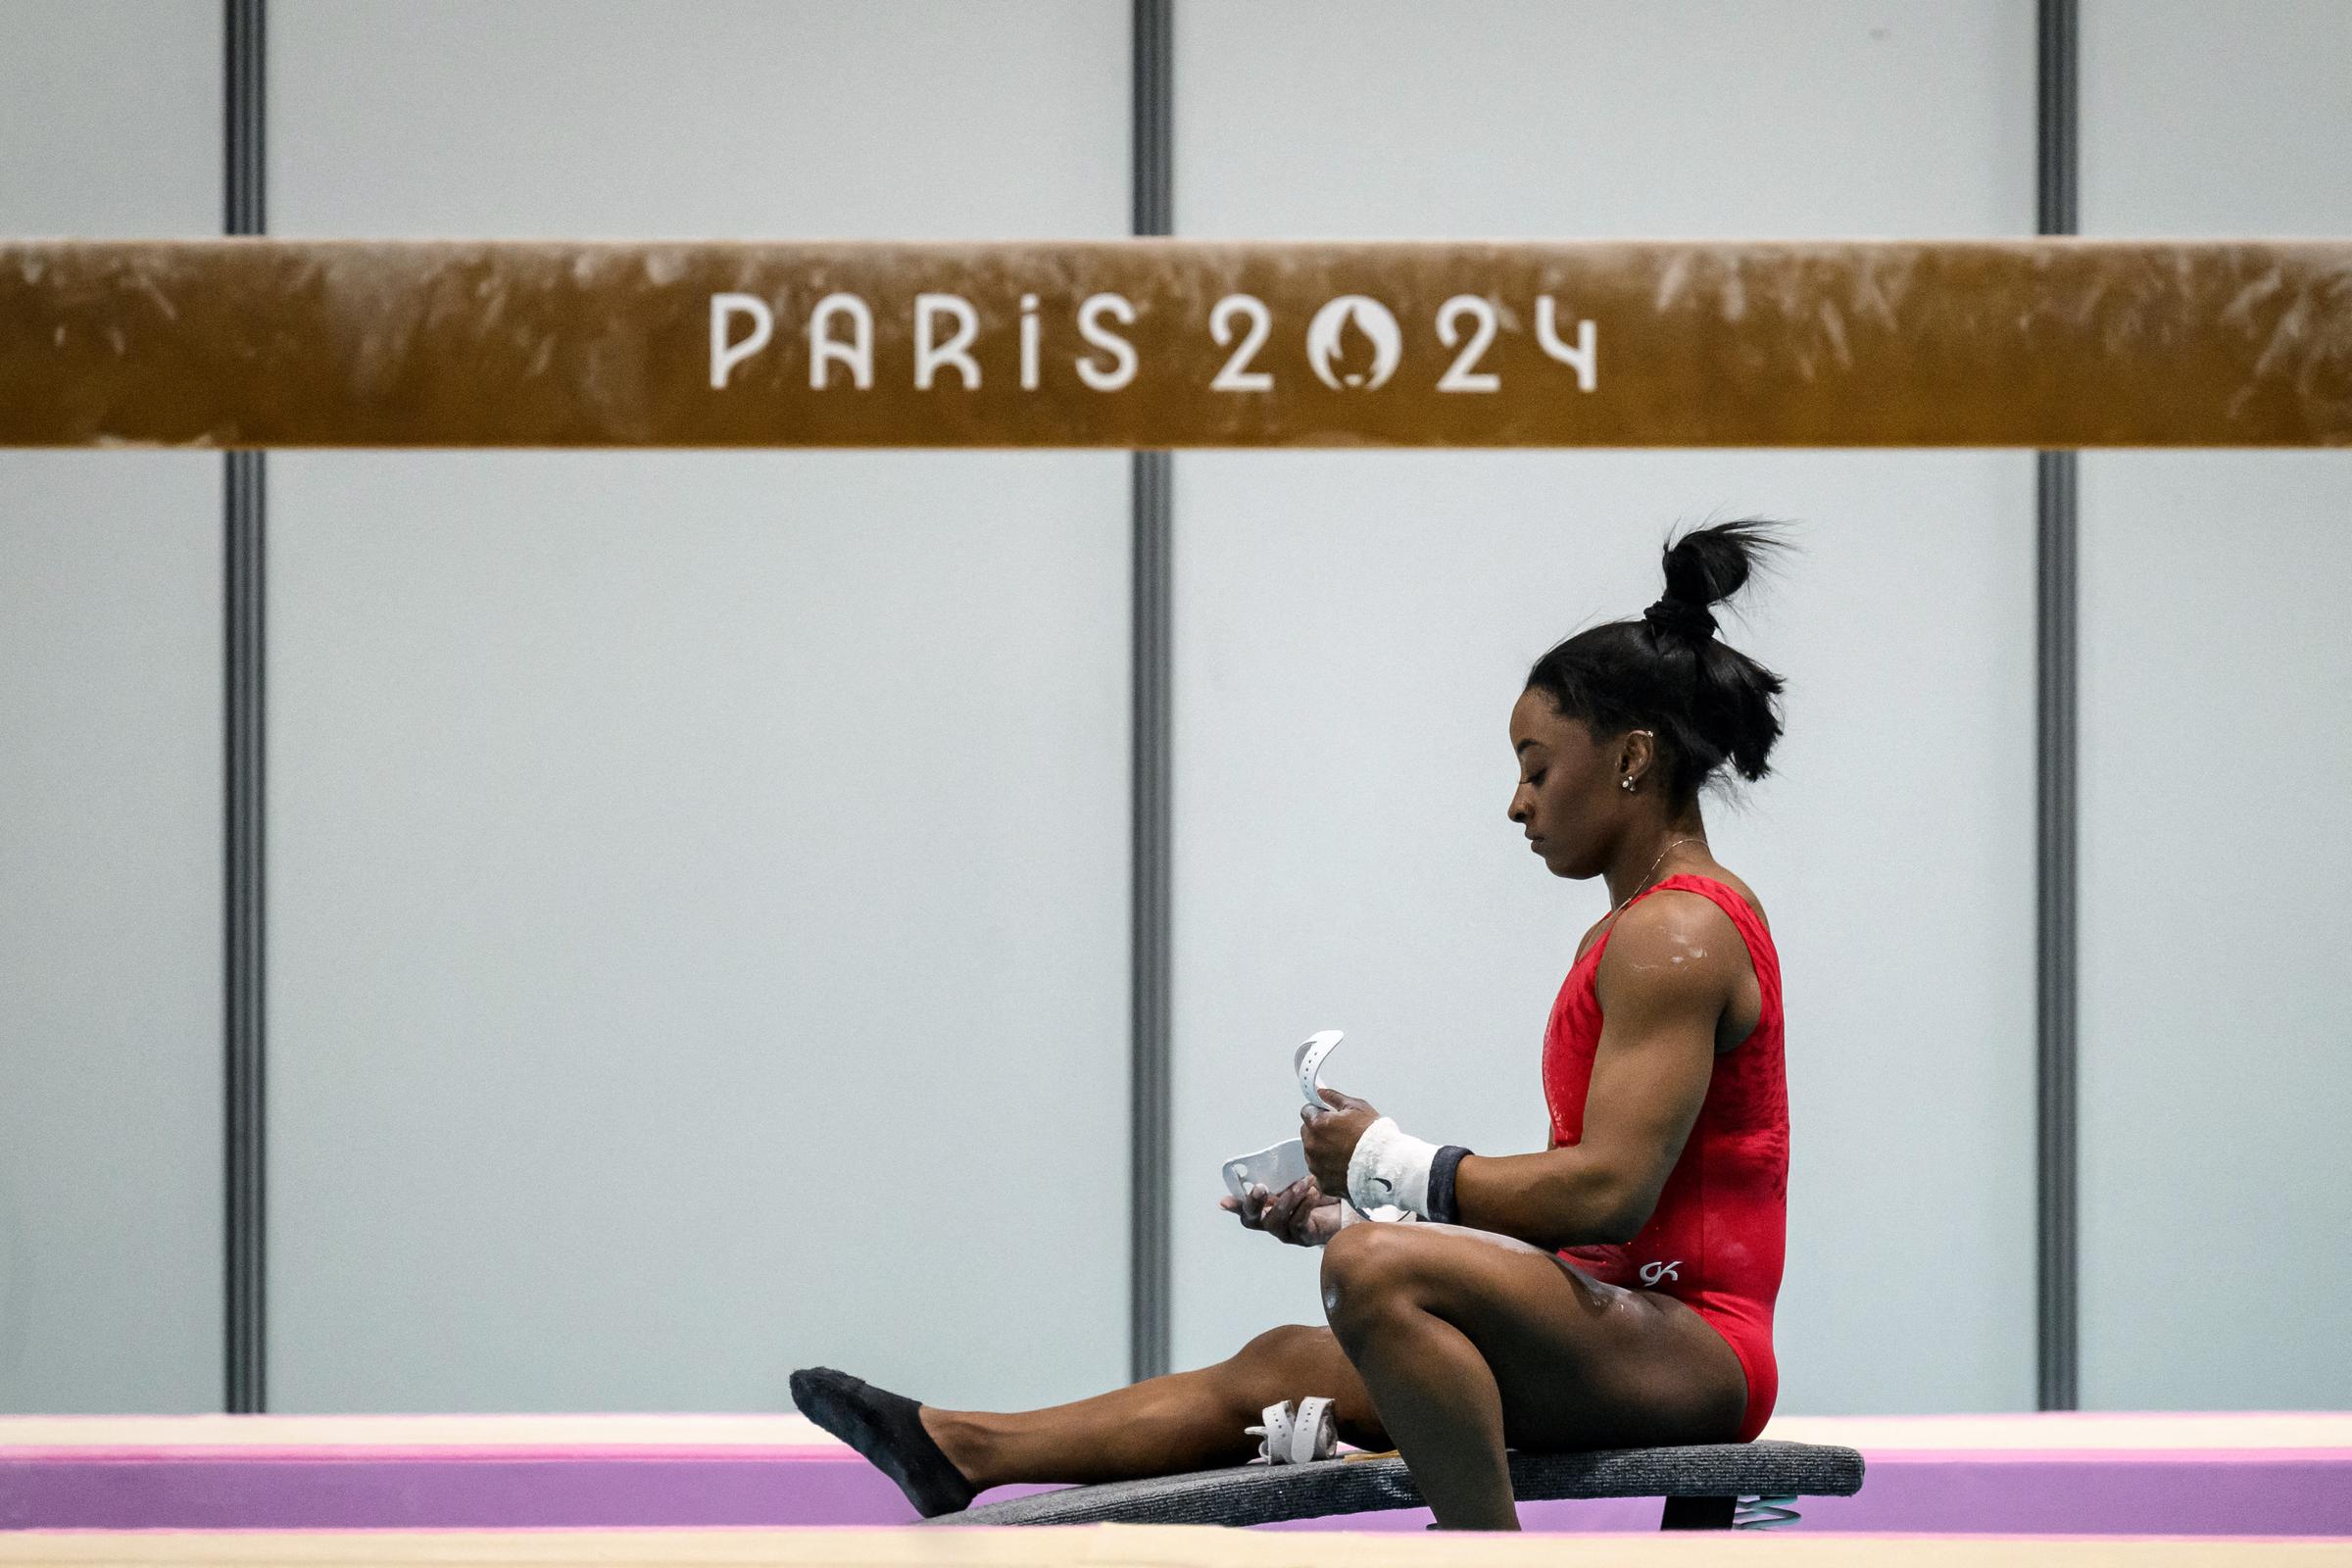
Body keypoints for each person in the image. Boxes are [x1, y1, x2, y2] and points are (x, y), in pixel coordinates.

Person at [793, 520, 1791, 1531]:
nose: (1517, 803)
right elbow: (1591, 1209)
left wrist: (1389, 1170)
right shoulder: (1636, 929)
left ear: (1631, 759)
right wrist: (1360, 1199)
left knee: (1370, 1272)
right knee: (1287, 1359)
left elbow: (1611, 1193)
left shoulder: (1677, 934)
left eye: (1537, 768)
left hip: (1694, 1349)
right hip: (1624, 1322)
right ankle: (960, 1447)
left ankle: (1487, 1555)